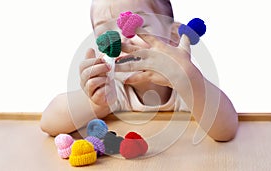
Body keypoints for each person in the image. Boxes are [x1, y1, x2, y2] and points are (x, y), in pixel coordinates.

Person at [40, 0, 238, 141]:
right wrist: (94, 102)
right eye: (106, 33)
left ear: (173, 36)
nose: (120, 40)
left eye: (135, 26)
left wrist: (188, 79)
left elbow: (227, 129)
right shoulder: (113, 90)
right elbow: (48, 123)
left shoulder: (186, 88)